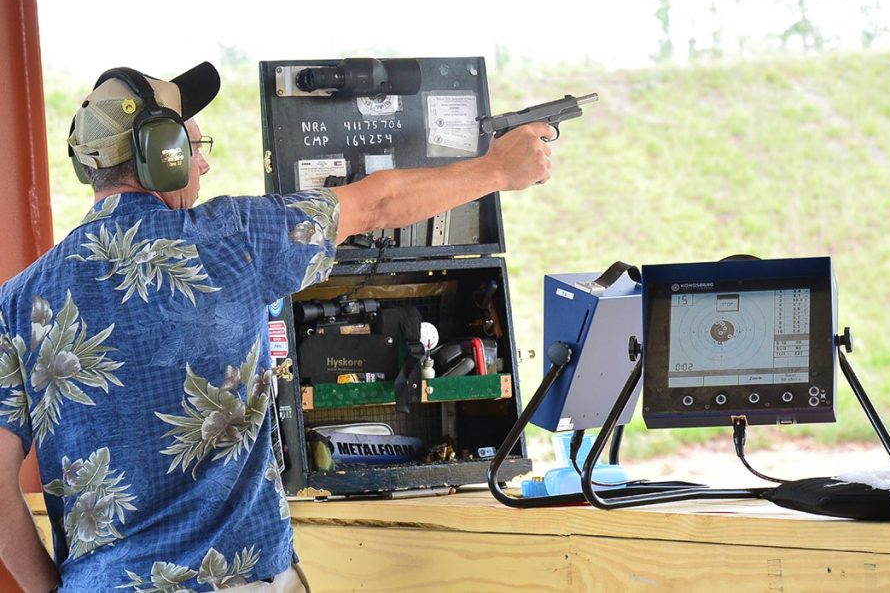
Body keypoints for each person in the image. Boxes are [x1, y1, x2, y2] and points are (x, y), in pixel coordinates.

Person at [0, 61, 554, 592]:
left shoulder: (19, 301)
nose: (204, 165)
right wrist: (497, 169)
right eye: (195, 148)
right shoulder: (232, 237)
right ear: (160, 155)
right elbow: (378, 205)